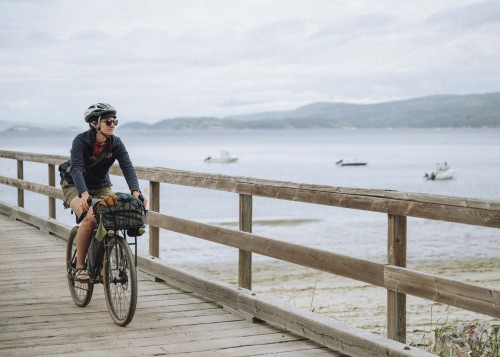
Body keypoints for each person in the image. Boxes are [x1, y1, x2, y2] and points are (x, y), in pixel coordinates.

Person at [62, 103, 147, 282]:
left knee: (111, 218)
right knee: (90, 217)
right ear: (95, 123)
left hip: (101, 186)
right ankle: (79, 267)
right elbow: (76, 168)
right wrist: (83, 193)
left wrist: (136, 191)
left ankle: (99, 259)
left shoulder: (115, 143)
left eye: (115, 121)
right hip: (75, 185)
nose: (113, 124)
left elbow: (127, 167)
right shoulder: (81, 141)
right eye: (108, 121)